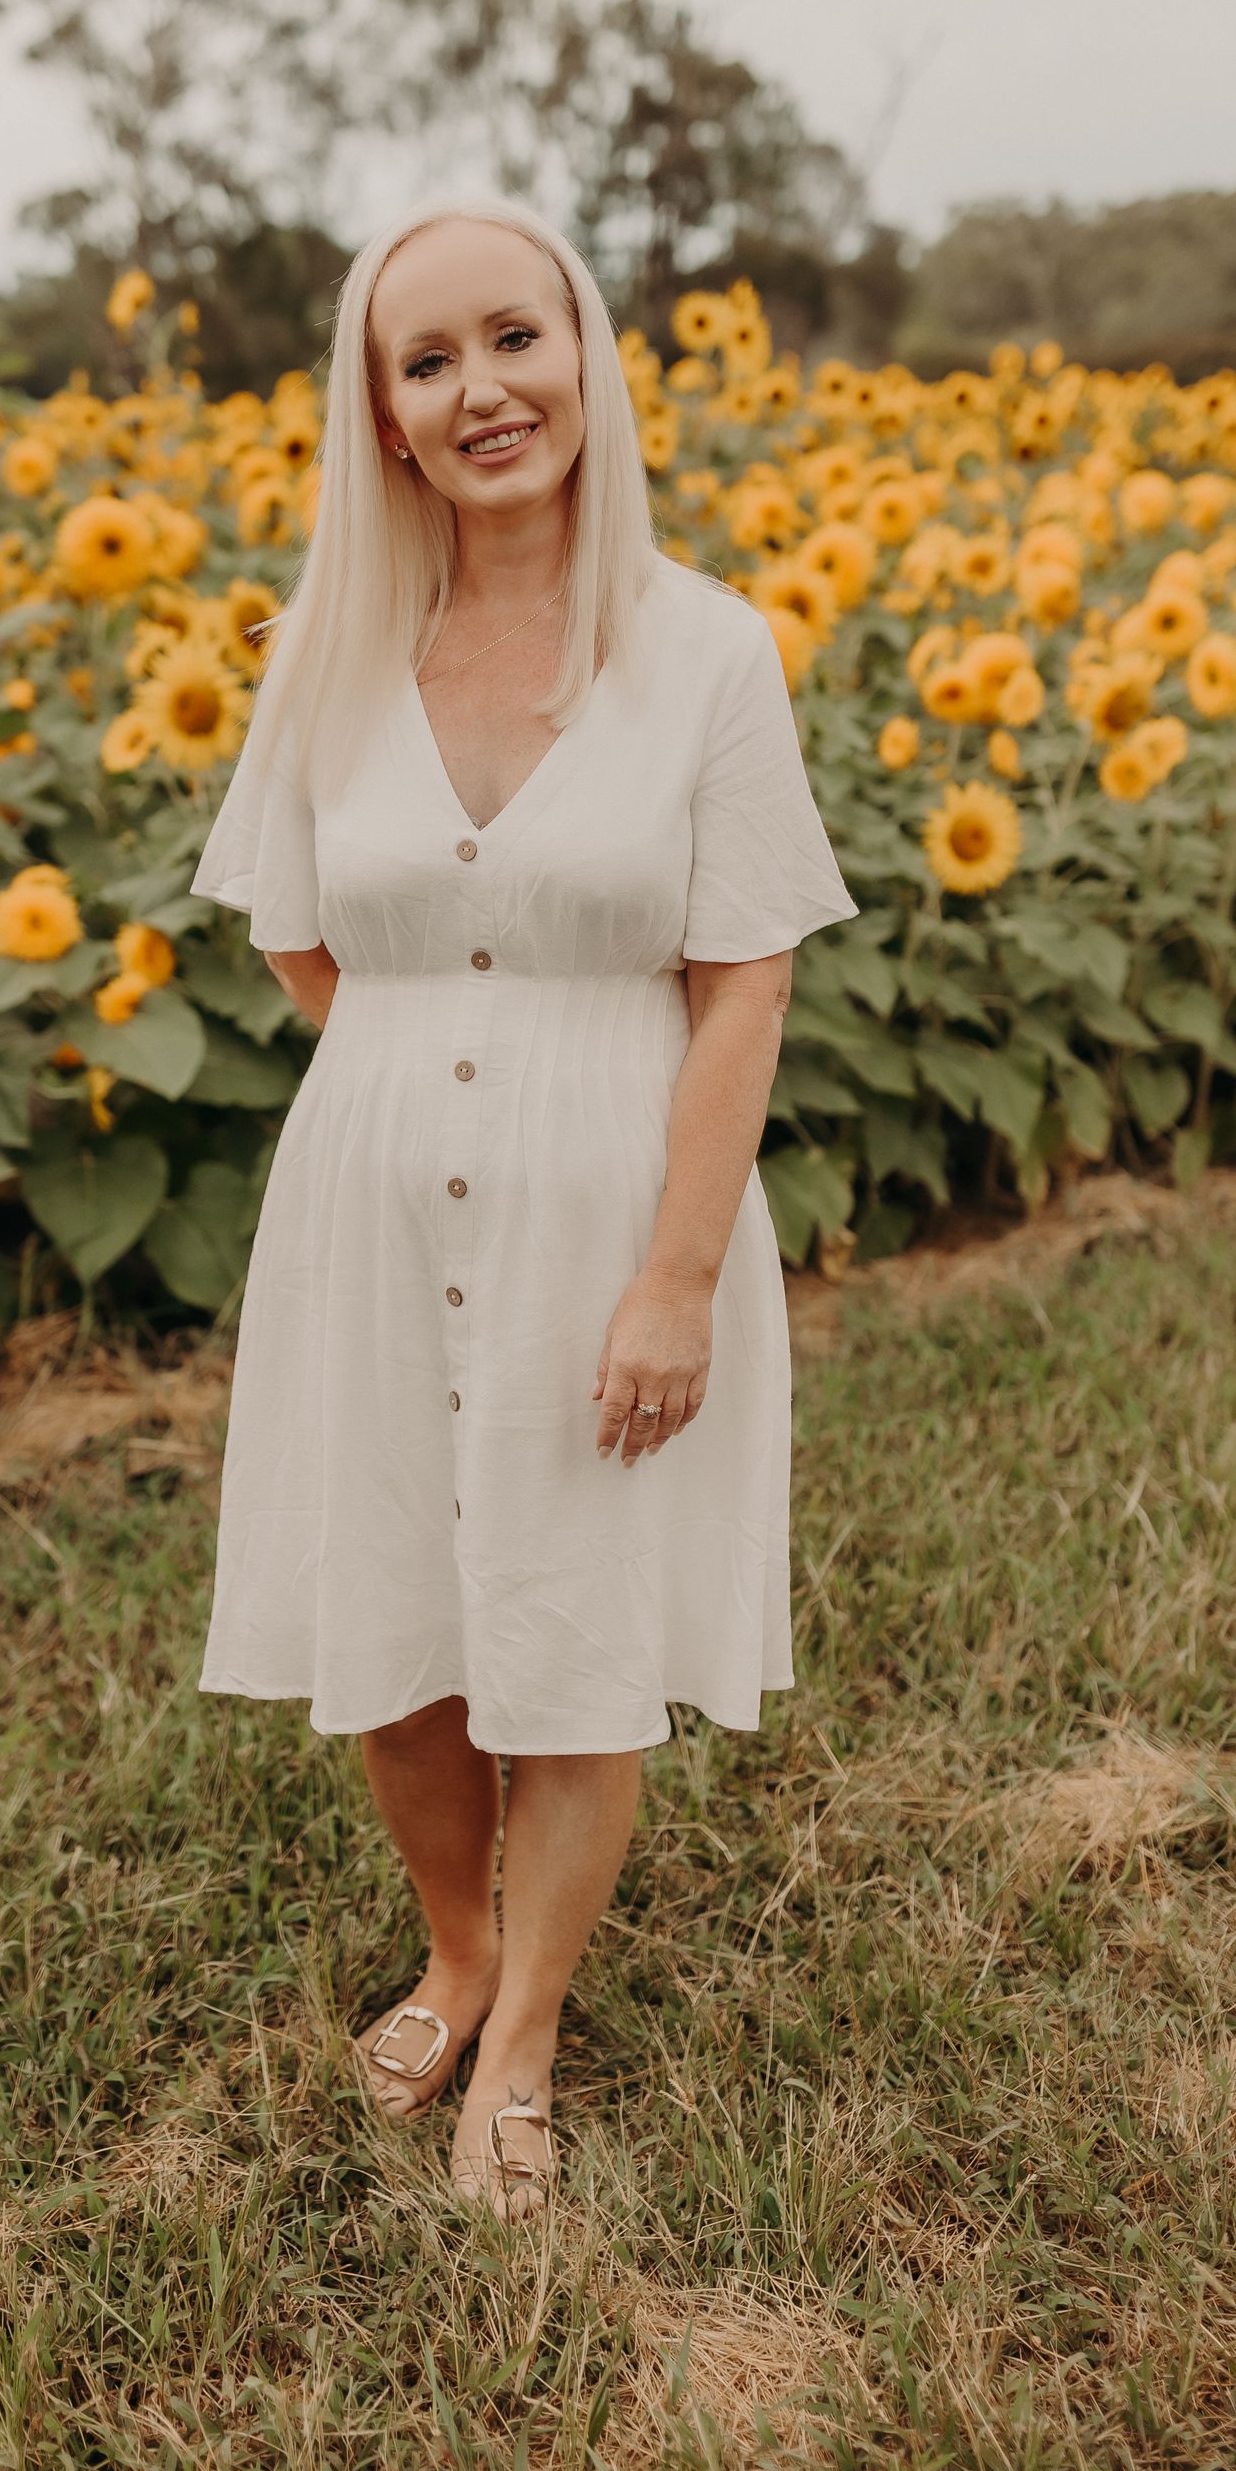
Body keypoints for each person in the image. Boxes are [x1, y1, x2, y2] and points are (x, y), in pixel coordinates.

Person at [188, 193, 857, 2218]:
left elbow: (744, 976)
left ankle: (534, 2026)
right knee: (397, 1628)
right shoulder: (329, 649)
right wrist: (417, 1051)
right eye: (427, 360)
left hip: (611, 1206)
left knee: (570, 1625)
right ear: (381, 416)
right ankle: (456, 1953)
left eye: (514, 338)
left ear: (586, 357)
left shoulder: (709, 648)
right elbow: (306, 941)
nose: (481, 388)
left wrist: (674, 1274)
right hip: (371, 1201)